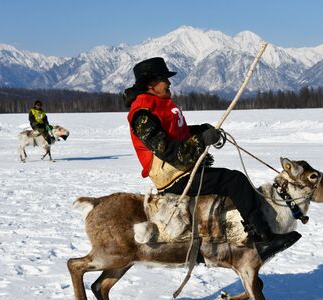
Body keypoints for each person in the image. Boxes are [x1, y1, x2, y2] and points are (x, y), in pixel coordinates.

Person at [123, 57, 299, 250]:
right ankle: (263, 236)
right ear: (151, 84)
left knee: (232, 181)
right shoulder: (143, 115)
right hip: (174, 178)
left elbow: (176, 133)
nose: (169, 83)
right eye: (164, 78)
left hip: (182, 171)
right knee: (235, 180)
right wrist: (202, 140)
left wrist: (200, 130)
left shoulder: (155, 105)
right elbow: (167, 150)